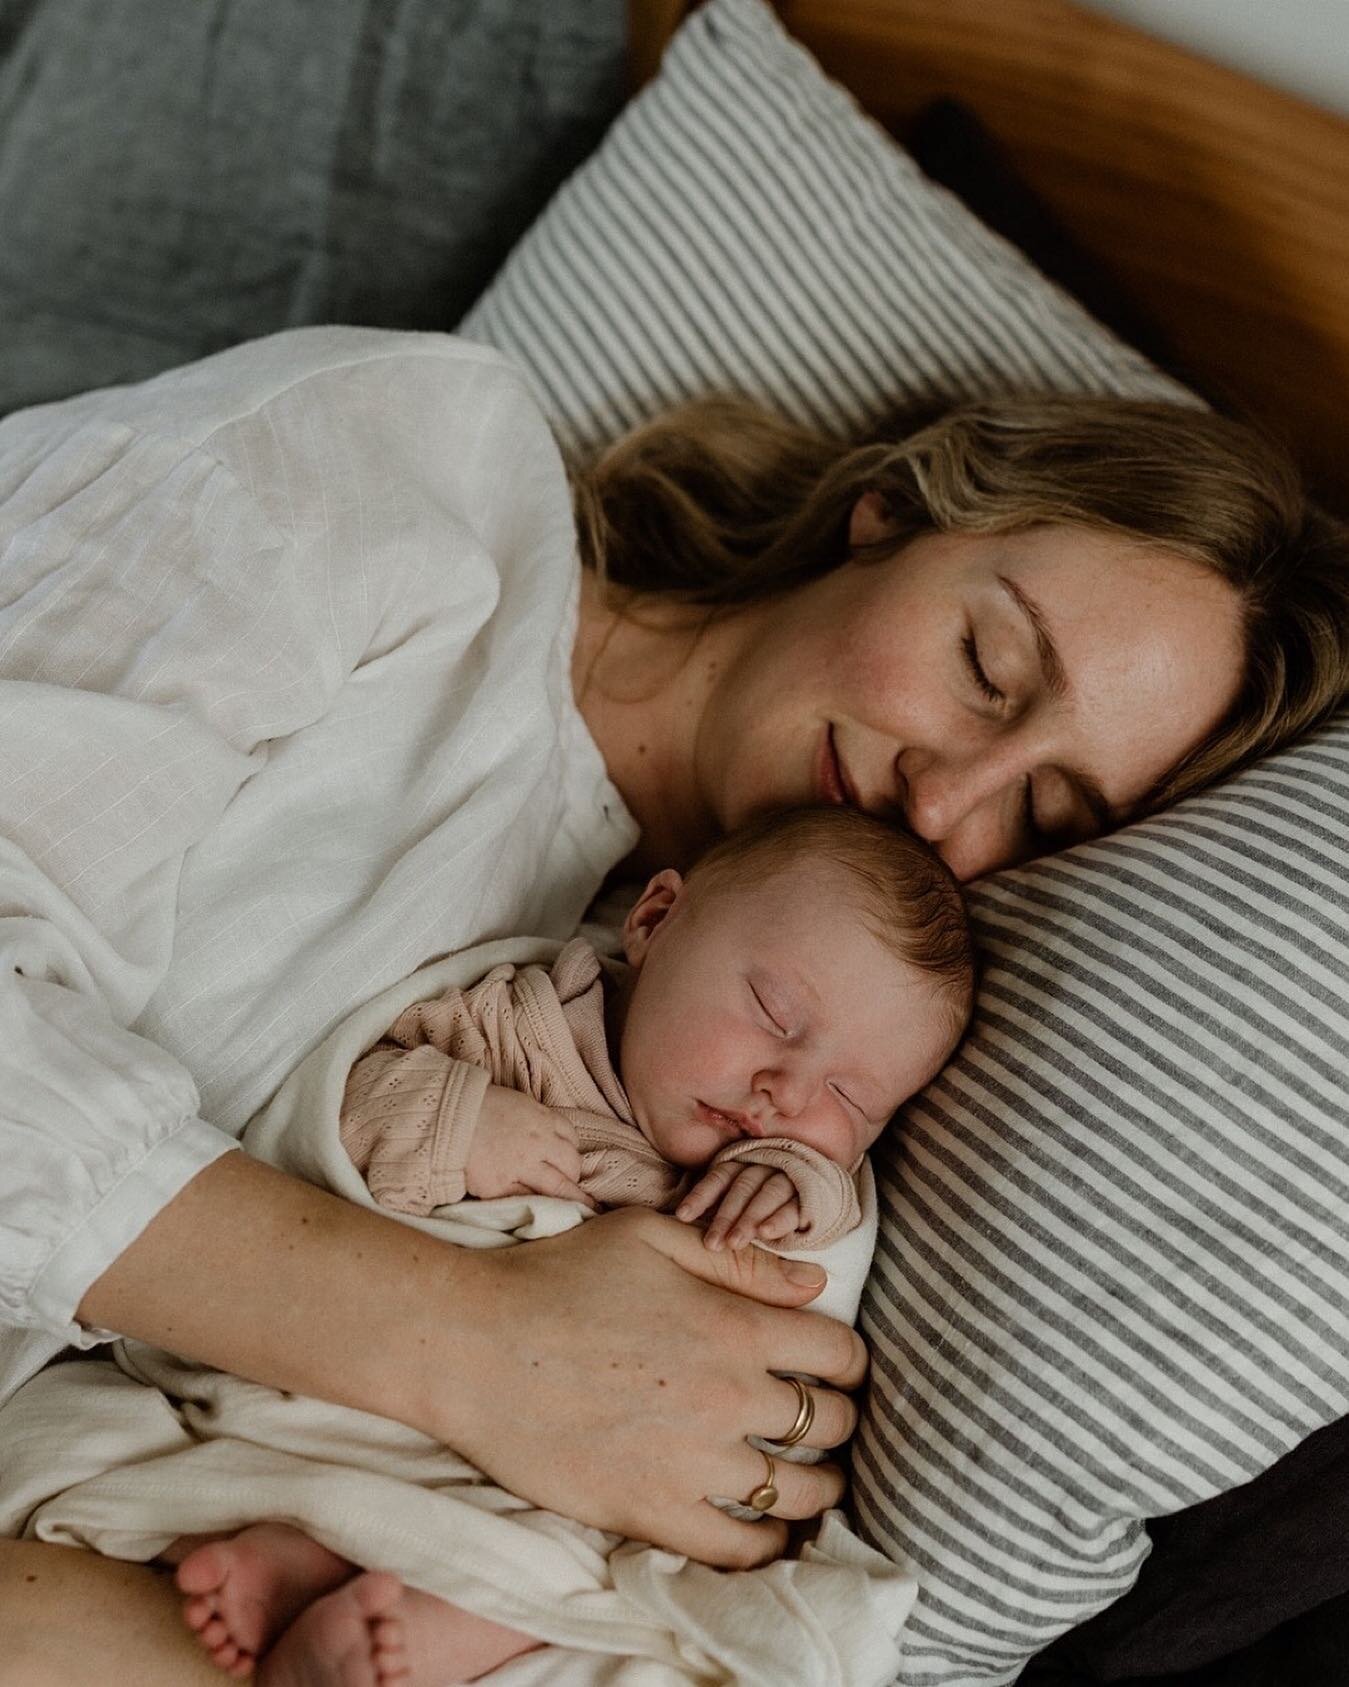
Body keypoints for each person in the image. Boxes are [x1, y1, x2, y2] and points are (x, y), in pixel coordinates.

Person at [2, 326, 1347, 1687]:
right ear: (885, 516)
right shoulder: (409, 479)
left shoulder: (717, 1041)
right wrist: (475, 1345)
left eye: (1044, 810)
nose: (943, 803)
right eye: (986, 667)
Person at [70, 802, 971, 1685]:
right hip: (384, 1371)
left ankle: (411, 1610)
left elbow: (823, 1251)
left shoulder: (785, 1177)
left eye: (852, 1098)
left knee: (619, 1564)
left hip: (602, 1465)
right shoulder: (511, 1021)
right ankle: (317, 1561)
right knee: (266, 1435)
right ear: (653, 921)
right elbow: (336, 1112)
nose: (786, 1090)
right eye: (775, 1014)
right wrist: (463, 1120)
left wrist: (799, 1183)